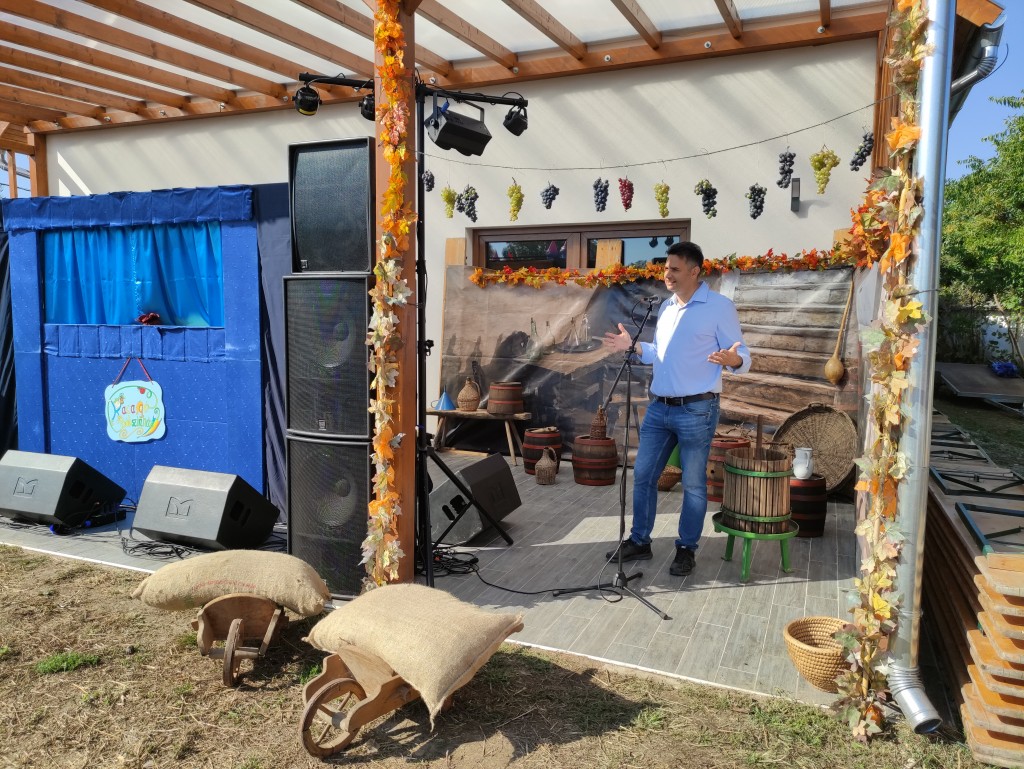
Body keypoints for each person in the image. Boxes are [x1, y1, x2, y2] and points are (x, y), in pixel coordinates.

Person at [602, 241, 750, 576]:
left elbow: (743, 355)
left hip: (697, 410)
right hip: (659, 409)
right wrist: (634, 346)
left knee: (694, 484)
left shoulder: (719, 307)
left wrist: (733, 359)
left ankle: (686, 548)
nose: (666, 274)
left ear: (694, 271)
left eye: (674, 269)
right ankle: (640, 540)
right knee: (643, 476)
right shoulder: (667, 307)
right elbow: (660, 352)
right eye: (665, 268)